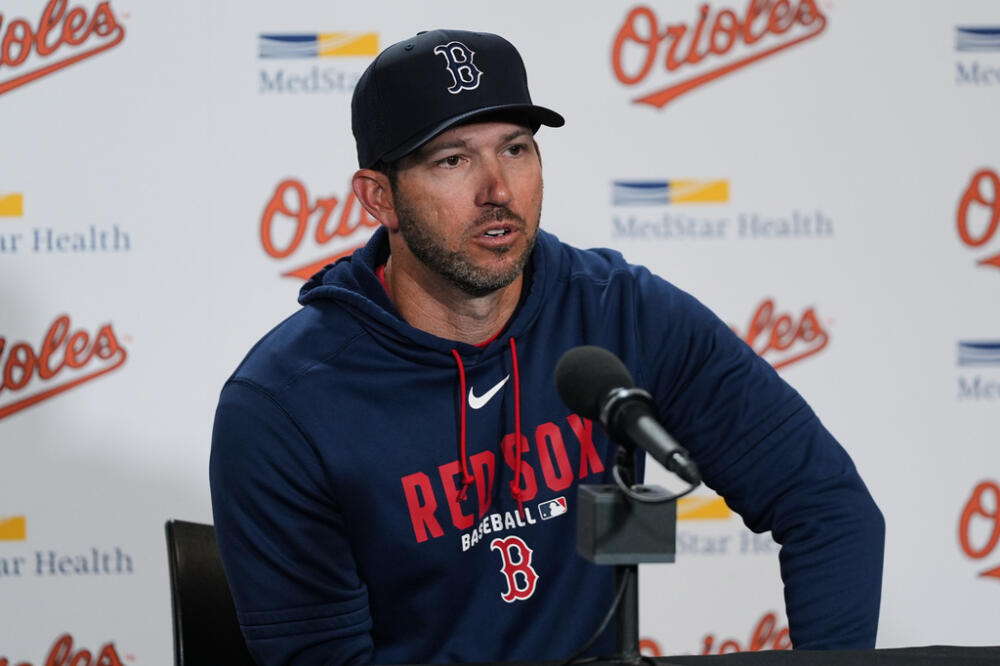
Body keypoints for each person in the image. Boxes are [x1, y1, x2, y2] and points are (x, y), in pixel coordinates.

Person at [210, 28, 885, 666]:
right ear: (378, 199)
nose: (498, 191)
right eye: (453, 159)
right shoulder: (283, 407)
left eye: (516, 148)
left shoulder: (621, 312)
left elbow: (827, 505)